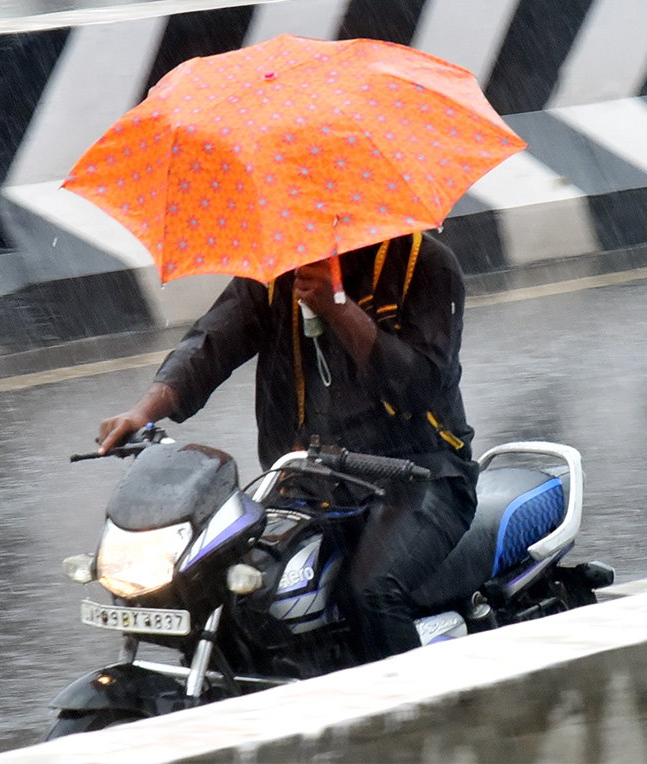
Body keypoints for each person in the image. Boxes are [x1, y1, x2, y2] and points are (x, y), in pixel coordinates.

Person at [99, 231, 478, 662]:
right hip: (308, 482)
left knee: (370, 592)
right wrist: (144, 411)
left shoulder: (426, 264)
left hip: (419, 479)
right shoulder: (280, 268)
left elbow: (420, 386)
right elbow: (210, 342)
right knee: (227, 587)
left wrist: (337, 307)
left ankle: (410, 719)